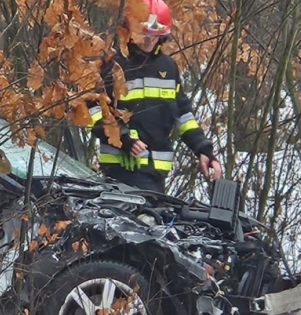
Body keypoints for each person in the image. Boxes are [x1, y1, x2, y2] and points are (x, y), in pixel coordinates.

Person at [90, 0, 222, 194]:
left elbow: (183, 115)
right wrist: (122, 138)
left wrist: (203, 150)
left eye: (156, 34)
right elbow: (93, 110)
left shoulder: (168, 68)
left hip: (157, 174)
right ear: (130, 28)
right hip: (121, 169)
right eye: (145, 33)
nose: (149, 40)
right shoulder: (112, 64)